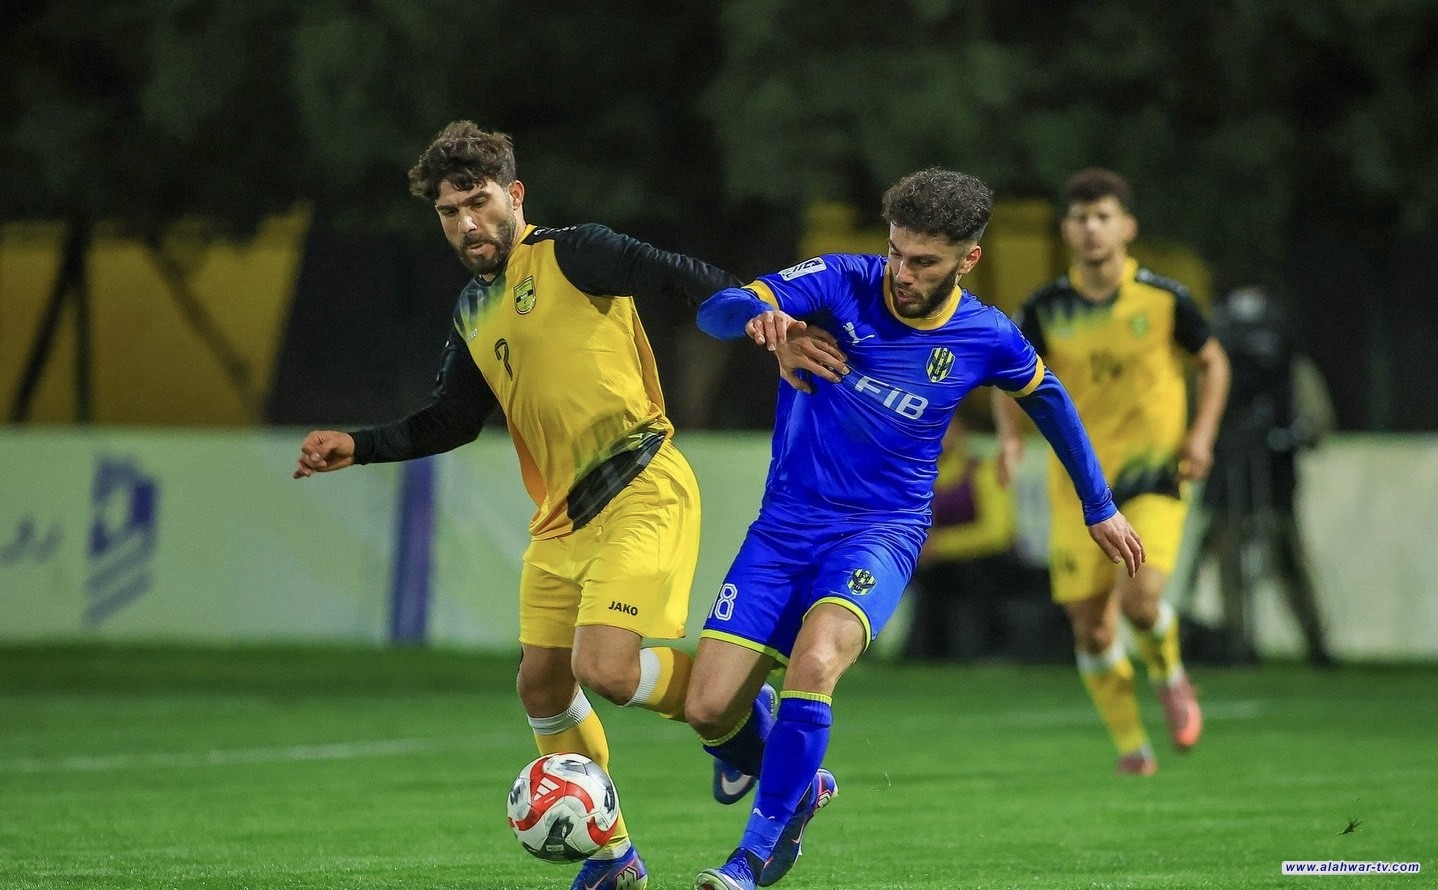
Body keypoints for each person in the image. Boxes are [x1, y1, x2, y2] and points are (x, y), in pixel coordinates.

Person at [292, 121, 748, 890]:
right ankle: (614, 860)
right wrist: (359, 445)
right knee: (541, 685)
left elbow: (680, 273)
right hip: (563, 520)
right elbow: (453, 420)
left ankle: (745, 734)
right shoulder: (473, 309)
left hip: (640, 482)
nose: (467, 223)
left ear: (515, 195)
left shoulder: (575, 252)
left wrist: (770, 320)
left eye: (479, 202)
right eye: (449, 212)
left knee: (602, 668)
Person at [684, 168, 1144, 890]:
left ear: (968, 259)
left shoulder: (984, 334)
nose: (902, 272)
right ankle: (790, 772)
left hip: (882, 532)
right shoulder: (841, 281)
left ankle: (756, 853)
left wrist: (1099, 506)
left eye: (923, 261)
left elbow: (1049, 399)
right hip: (782, 529)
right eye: (897, 251)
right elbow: (717, 310)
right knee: (708, 710)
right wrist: (761, 320)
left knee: (817, 662)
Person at [992, 167, 1231, 776]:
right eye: (1080, 218)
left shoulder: (1164, 298)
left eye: (1103, 217)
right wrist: (1011, 438)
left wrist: (1201, 435)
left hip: (1154, 476)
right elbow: (1008, 373)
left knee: (1140, 600)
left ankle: (1172, 675)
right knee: (1092, 628)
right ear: (1067, 230)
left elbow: (1213, 362)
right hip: (1078, 484)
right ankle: (1133, 747)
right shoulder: (1046, 308)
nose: (1092, 228)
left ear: (1126, 227)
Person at [1180, 285, 1335, 667]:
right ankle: (1239, 641)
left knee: (1284, 556)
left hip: (1272, 470)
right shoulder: (1213, 362)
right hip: (1230, 466)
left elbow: (1316, 417)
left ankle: (1312, 641)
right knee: (1231, 557)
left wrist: (1296, 432)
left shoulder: (1284, 362)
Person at [901, 413, 1021, 661]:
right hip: (938, 562)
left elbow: (997, 533)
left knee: (979, 575)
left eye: (946, 427)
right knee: (922, 579)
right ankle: (926, 655)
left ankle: (995, 651)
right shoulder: (918, 475)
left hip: (986, 560)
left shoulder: (983, 469)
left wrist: (940, 546)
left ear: (963, 434)